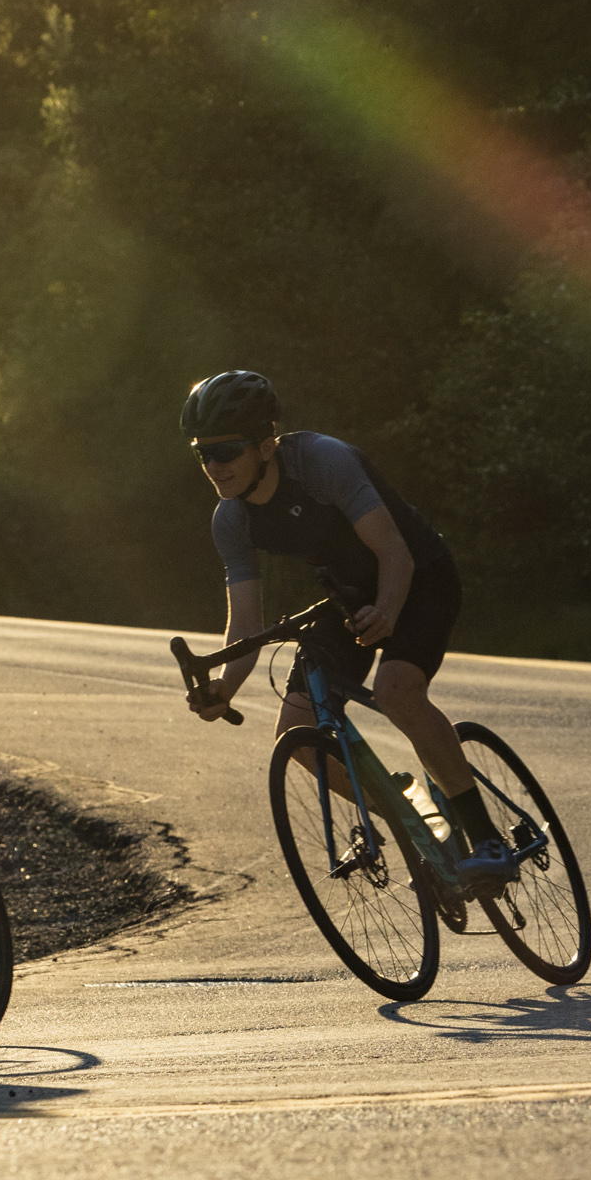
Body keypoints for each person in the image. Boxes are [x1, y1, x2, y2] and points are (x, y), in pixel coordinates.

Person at [179, 369, 519, 892]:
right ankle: (411, 818)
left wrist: (387, 609)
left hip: (420, 574)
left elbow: (394, 553)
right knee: (296, 735)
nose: (214, 466)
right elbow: (244, 623)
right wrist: (226, 687)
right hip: (349, 599)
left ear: (267, 444)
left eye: (226, 451)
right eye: (203, 454)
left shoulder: (323, 461)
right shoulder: (232, 520)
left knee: (397, 690)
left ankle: (485, 837)